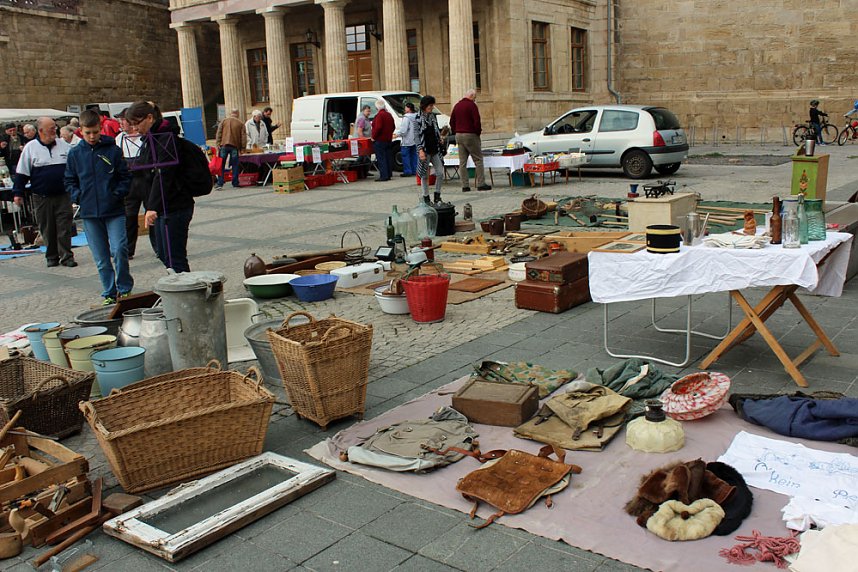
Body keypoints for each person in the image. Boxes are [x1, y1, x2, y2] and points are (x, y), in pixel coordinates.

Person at [65, 109, 133, 304]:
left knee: (119, 249)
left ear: (100, 128)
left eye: (95, 132)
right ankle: (109, 292)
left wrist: (117, 193)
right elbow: (69, 180)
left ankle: (124, 288)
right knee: (101, 258)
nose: (92, 136)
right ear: (81, 131)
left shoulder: (113, 150)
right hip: (89, 212)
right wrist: (78, 196)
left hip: (113, 209)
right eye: (88, 133)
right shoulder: (75, 153)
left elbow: (125, 176)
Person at [124, 101, 195, 273]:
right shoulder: (149, 139)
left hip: (175, 205)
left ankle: (187, 287)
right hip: (163, 205)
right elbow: (148, 170)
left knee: (174, 257)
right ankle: (179, 284)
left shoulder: (166, 138)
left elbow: (164, 175)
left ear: (150, 118)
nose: (135, 128)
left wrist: (152, 207)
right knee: (164, 254)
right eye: (131, 124)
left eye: (137, 123)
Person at [12, 117, 77, 267]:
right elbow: (22, 173)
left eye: (55, 127)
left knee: (64, 226)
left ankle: (67, 256)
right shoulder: (31, 148)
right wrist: (17, 193)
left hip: (63, 194)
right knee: (47, 227)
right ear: (41, 131)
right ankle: (52, 256)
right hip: (41, 196)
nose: (55, 130)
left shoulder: (64, 146)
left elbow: (74, 168)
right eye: (51, 128)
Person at [116, 108, 156, 259]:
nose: (120, 123)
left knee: (151, 213)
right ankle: (128, 249)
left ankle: (158, 247)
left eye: (123, 120)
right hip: (129, 181)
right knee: (129, 216)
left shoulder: (144, 136)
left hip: (145, 179)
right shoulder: (119, 138)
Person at [450, 89, 491, 192]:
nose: (475, 99)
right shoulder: (472, 105)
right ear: (472, 96)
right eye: (475, 97)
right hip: (470, 134)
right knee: (478, 160)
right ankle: (481, 184)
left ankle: (465, 185)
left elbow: (452, 121)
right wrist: (477, 132)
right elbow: (477, 121)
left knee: (462, 162)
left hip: (459, 135)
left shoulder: (457, 105)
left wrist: (456, 131)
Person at [416, 95, 445, 204]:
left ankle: (437, 195)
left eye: (432, 105)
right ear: (424, 106)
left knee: (440, 172)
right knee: (424, 175)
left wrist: (439, 138)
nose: (432, 107)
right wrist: (420, 150)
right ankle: (426, 196)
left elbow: (435, 130)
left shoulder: (432, 117)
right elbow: (416, 136)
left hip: (434, 149)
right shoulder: (417, 119)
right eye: (430, 105)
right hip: (425, 149)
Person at [215, 109, 246, 190]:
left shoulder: (224, 121)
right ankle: (235, 182)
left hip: (223, 145)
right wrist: (243, 148)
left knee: (221, 164)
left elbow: (219, 133)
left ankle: (220, 182)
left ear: (230, 113)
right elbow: (243, 137)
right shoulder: (240, 123)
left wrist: (218, 143)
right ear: (238, 114)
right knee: (235, 165)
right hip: (234, 146)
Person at [371, 99, 395, 182]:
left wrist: (373, 136)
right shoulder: (389, 115)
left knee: (381, 158)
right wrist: (389, 133)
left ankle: (384, 175)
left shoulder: (379, 115)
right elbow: (393, 126)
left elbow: (378, 127)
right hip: (388, 139)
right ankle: (388, 174)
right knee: (388, 157)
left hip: (380, 139)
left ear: (377, 107)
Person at [397, 102, 418, 178]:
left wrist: (397, 134)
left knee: (405, 156)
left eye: (405, 107)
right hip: (415, 139)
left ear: (408, 108)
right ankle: (415, 170)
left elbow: (403, 130)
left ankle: (407, 171)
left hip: (407, 140)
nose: (404, 109)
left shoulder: (406, 118)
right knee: (414, 156)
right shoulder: (416, 116)